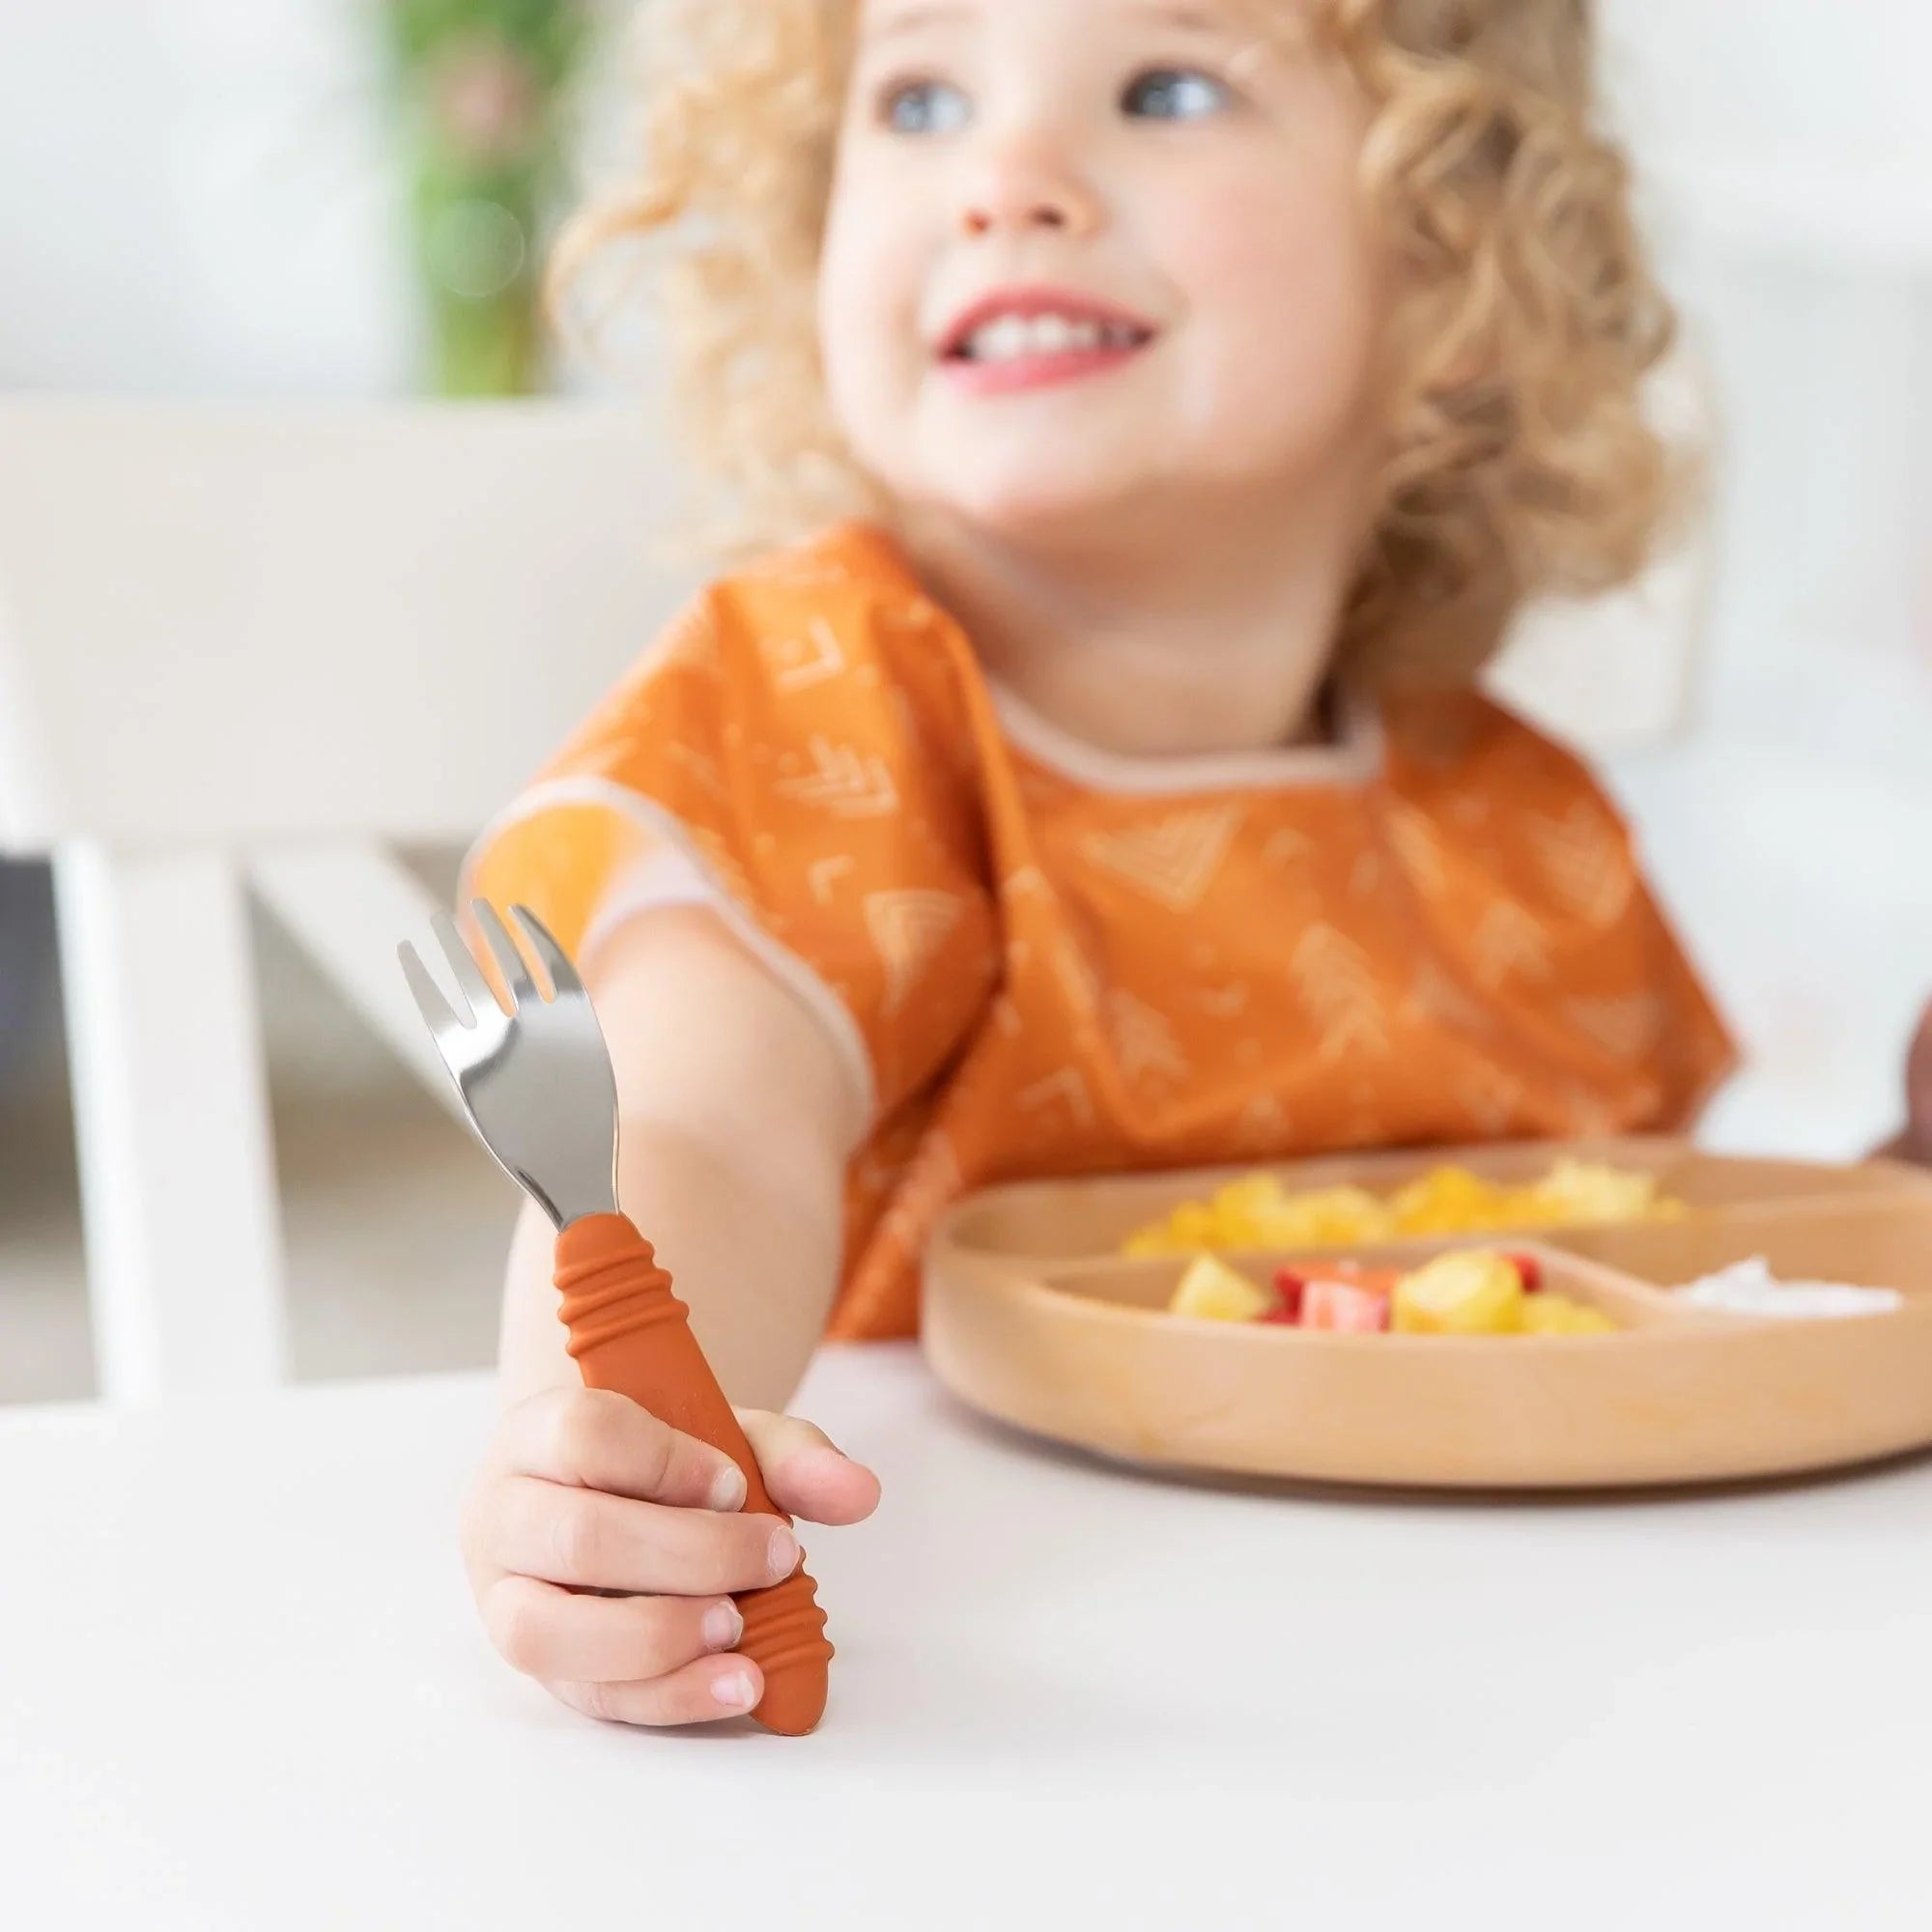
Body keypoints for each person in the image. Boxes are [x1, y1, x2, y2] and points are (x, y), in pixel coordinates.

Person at [456, 0, 1931, 1729]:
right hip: (998, 1700)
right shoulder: (824, 712)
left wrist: (1893, 1182)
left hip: (1473, 1717)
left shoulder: (1513, 822)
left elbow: (1609, 1291)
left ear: (1448, 268)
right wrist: (629, 1454)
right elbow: (708, 1129)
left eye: (1165, 87)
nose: (1005, 178)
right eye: (919, 97)